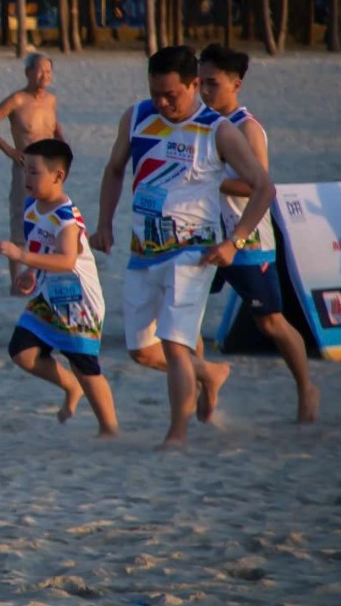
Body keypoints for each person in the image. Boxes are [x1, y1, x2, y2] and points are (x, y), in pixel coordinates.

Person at [91, 45, 275, 449]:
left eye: (171, 94)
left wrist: (235, 241)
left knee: (176, 344)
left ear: (194, 85)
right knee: (141, 350)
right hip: (144, 251)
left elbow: (262, 187)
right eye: (155, 92)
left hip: (194, 251)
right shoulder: (138, 116)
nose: (162, 102)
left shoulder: (218, 130)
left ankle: (177, 434)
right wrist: (104, 223)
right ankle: (209, 373)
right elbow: (115, 168)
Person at [197, 44, 320, 423]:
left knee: (271, 323)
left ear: (236, 84)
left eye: (212, 84)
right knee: (188, 314)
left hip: (246, 240)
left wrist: (209, 182)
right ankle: (205, 383)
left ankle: (305, 388)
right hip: (202, 235)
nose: (203, 92)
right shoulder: (201, 123)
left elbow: (259, 185)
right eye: (199, 83)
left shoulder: (247, 128)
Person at [0, 139, 118, 437]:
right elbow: (40, 246)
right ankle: (69, 386)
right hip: (49, 293)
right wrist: (29, 271)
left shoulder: (66, 217)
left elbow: (65, 259)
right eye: (25, 171)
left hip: (79, 302)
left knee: (85, 365)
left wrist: (21, 256)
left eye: (34, 173)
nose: (27, 179)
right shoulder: (31, 207)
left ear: (58, 176)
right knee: (21, 351)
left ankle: (109, 429)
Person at [0, 53, 64, 293]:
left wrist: (63, 150)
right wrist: (9, 150)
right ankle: (17, 283)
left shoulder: (51, 100)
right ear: (28, 73)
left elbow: (54, 127)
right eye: (39, 71)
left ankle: (42, 276)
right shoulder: (18, 99)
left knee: (52, 221)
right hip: (25, 169)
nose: (44, 76)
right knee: (21, 224)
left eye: (48, 72)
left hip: (49, 170)